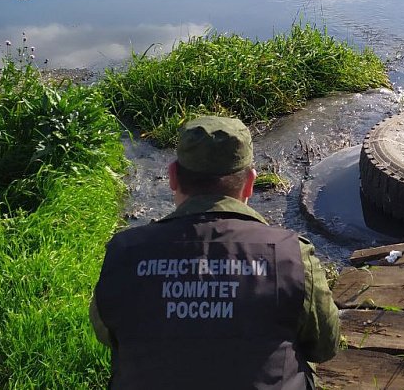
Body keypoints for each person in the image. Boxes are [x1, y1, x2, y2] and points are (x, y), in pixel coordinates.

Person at [90, 116, 340, 389]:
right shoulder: (291, 256)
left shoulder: (125, 253)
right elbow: (325, 347)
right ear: (250, 183)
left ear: (173, 177)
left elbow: (107, 332)